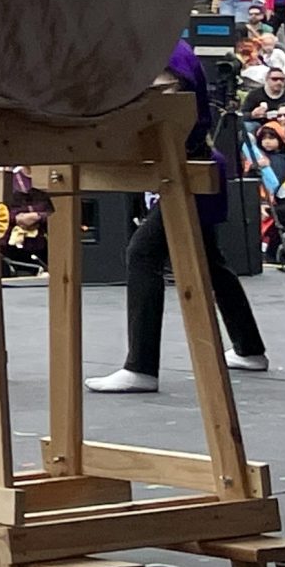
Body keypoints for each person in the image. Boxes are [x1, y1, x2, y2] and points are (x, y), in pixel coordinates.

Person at [88, 41, 270, 393]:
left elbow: (165, 101)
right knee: (210, 261)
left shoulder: (163, 52)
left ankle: (140, 366)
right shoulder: (172, 46)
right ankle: (249, 348)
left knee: (142, 254)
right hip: (192, 161)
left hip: (185, 167)